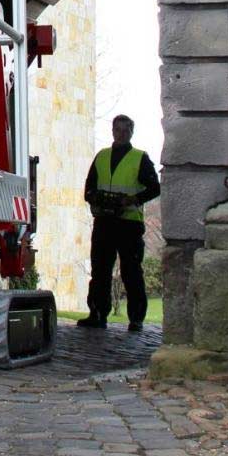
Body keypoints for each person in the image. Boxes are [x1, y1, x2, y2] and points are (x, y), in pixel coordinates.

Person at [76, 113, 160, 333]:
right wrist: (97, 199)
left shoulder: (140, 158)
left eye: (125, 130)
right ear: (112, 131)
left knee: (131, 272)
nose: (121, 134)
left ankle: (136, 319)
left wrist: (132, 200)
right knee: (100, 270)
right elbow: (89, 189)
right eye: (117, 130)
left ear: (131, 132)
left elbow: (154, 188)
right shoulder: (102, 157)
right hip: (104, 222)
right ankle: (97, 313)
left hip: (129, 223)